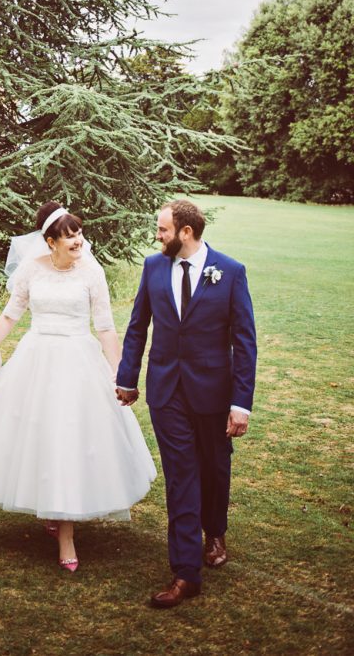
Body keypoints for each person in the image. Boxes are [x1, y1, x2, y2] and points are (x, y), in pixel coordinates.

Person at [0, 201, 157, 572]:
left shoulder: (92, 272)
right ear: (49, 241)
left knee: (68, 439)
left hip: (78, 359)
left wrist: (120, 373)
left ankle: (66, 534)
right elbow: (10, 315)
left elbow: (105, 327)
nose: (78, 241)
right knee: (38, 437)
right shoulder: (32, 270)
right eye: (69, 235)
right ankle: (51, 508)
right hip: (36, 357)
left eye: (79, 233)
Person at [116, 199, 257, 608]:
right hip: (166, 391)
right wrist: (127, 378)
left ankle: (214, 530)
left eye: (162, 230)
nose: (156, 236)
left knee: (214, 468)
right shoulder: (153, 267)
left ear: (186, 232)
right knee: (181, 476)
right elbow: (138, 325)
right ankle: (185, 572)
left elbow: (244, 342)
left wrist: (240, 403)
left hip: (213, 393)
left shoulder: (230, 272)